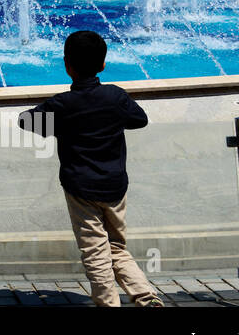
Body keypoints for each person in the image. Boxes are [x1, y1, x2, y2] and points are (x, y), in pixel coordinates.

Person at [18, 30, 162, 308]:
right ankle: (146, 297)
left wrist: (60, 127)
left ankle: (109, 304)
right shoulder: (115, 97)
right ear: (103, 64)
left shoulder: (62, 104)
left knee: (95, 253)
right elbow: (139, 120)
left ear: (66, 65)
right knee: (116, 247)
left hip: (80, 189)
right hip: (115, 187)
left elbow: (25, 121)